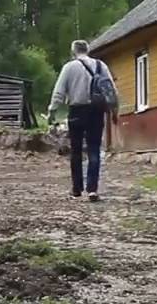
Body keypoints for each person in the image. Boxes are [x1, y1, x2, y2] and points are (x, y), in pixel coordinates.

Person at [47, 39, 118, 202]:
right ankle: (92, 189)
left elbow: (59, 92)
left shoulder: (69, 67)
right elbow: (111, 90)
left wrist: (52, 112)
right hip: (96, 111)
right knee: (94, 148)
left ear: (73, 51)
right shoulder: (101, 65)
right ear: (88, 50)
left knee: (76, 150)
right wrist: (114, 111)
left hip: (77, 110)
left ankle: (76, 189)